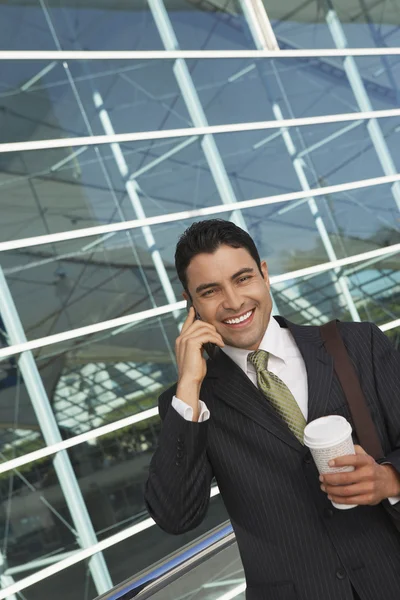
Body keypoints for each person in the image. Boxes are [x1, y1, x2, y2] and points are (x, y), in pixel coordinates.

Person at [145, 219, 400, 600]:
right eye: (210, 291)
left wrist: (390, 480)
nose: (233, 302)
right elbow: (176, 515)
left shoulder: (356, 344)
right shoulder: (189, 402)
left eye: (243, 278)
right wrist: (188, 385)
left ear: (264, 274)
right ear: (191, 303)